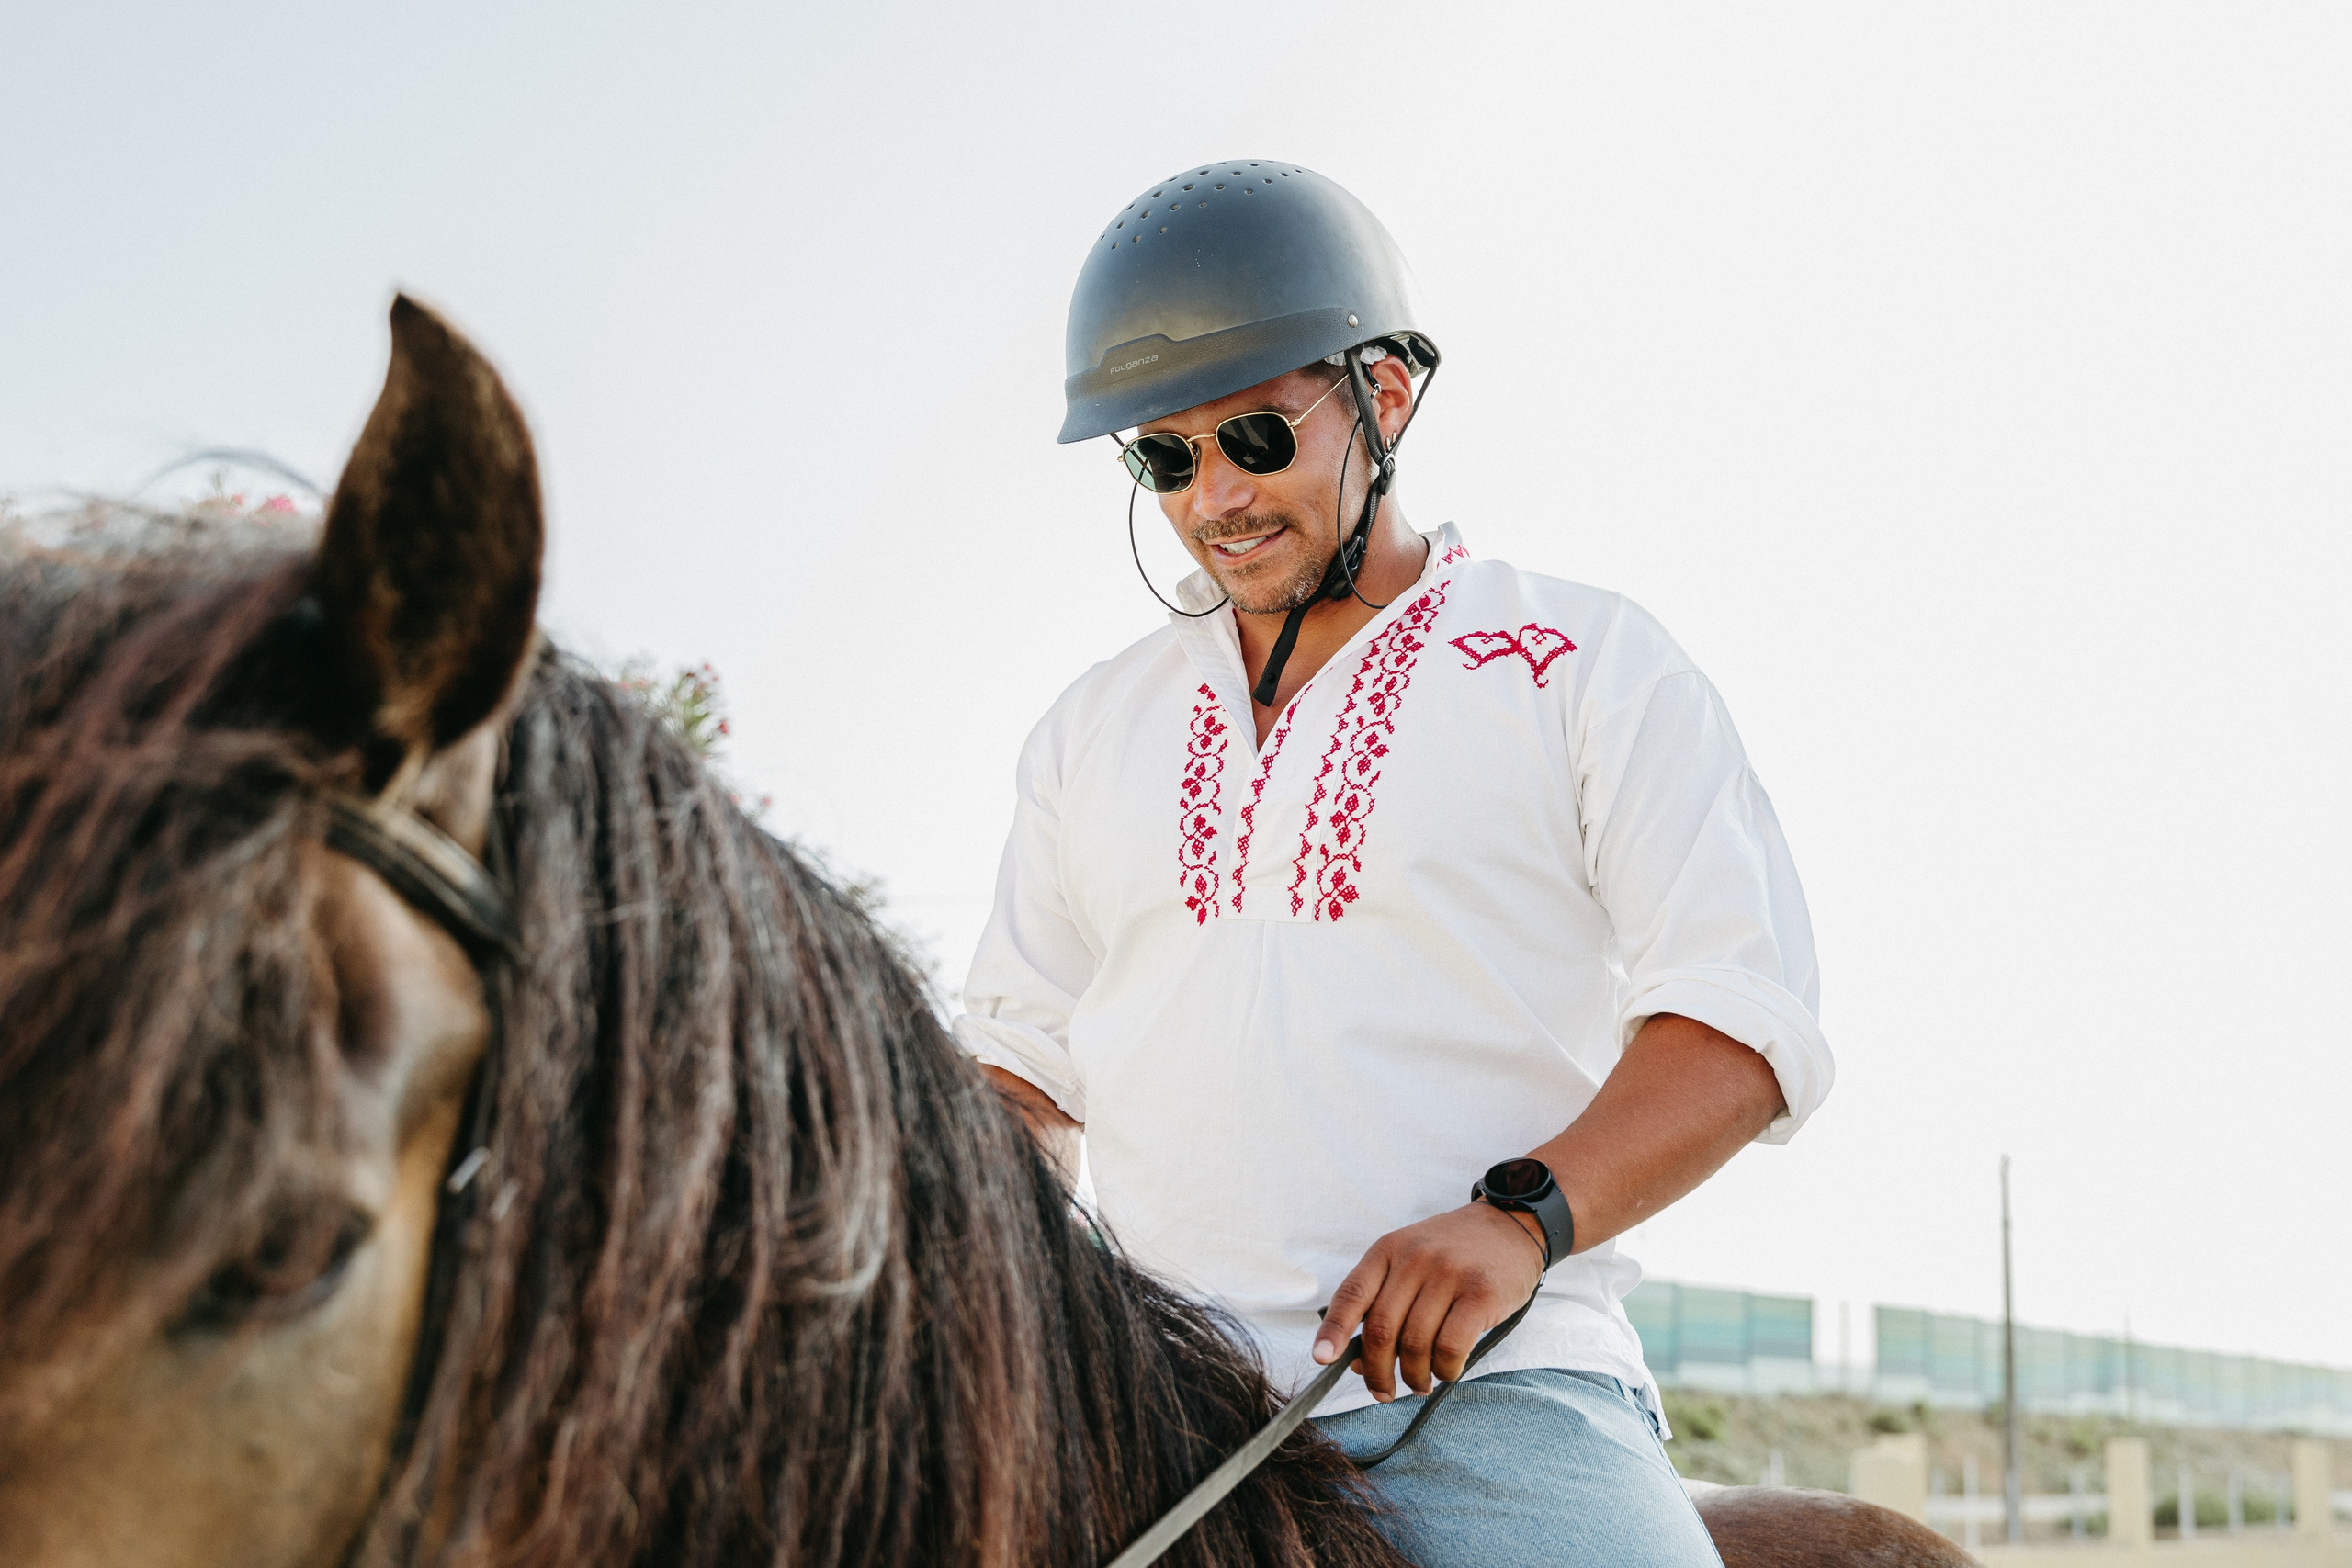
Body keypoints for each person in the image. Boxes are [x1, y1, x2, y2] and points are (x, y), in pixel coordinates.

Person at [954, 159, 1833, 1567]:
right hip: (1145, 1411)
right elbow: (1019, 1076)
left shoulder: (1581, 661)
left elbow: (1742, 1021)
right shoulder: (1087, 730)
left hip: (1492, 1398)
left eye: (1253, 433)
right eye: (1163, 460)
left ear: (1388, 394)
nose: (1212, 498)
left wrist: (1520, 1224)